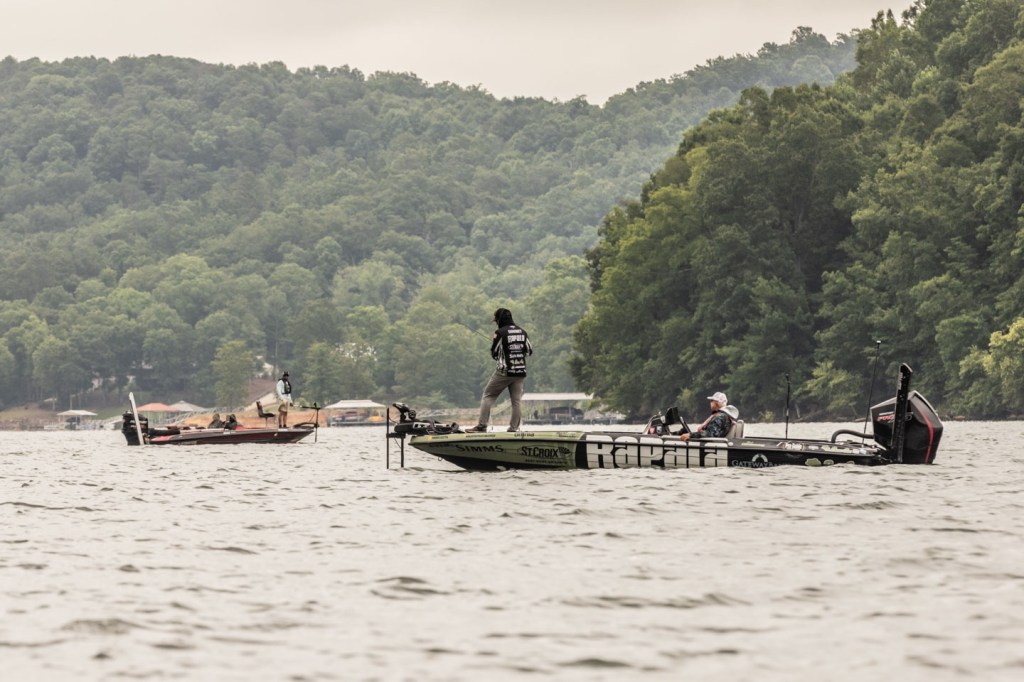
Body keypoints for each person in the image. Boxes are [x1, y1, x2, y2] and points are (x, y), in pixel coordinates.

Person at [467, 308, 533, 432]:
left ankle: (482, 426)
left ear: (500, 320)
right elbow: (529, 351)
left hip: (504, 372)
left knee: (488, 396)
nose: (496, 323)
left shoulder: (500, 333)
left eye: (496, 320)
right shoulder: (523, 332)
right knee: (516, 401)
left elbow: (495, 353)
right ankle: (514, 428)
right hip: (520, 372)